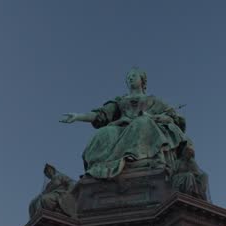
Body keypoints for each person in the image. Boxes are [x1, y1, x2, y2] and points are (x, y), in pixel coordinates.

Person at [60, 67, 190, 179]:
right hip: (121, 128)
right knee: (103, 133)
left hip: (145, 126)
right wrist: (78, 116)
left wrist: (158, 117)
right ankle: (103, 166)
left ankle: (132, 159)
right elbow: (101, 115)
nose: (130, 78)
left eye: (134, 75)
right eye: (128, 77)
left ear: (142, 79)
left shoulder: (153, 100)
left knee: (142, 122)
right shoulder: (120, 101)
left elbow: (171, 116)